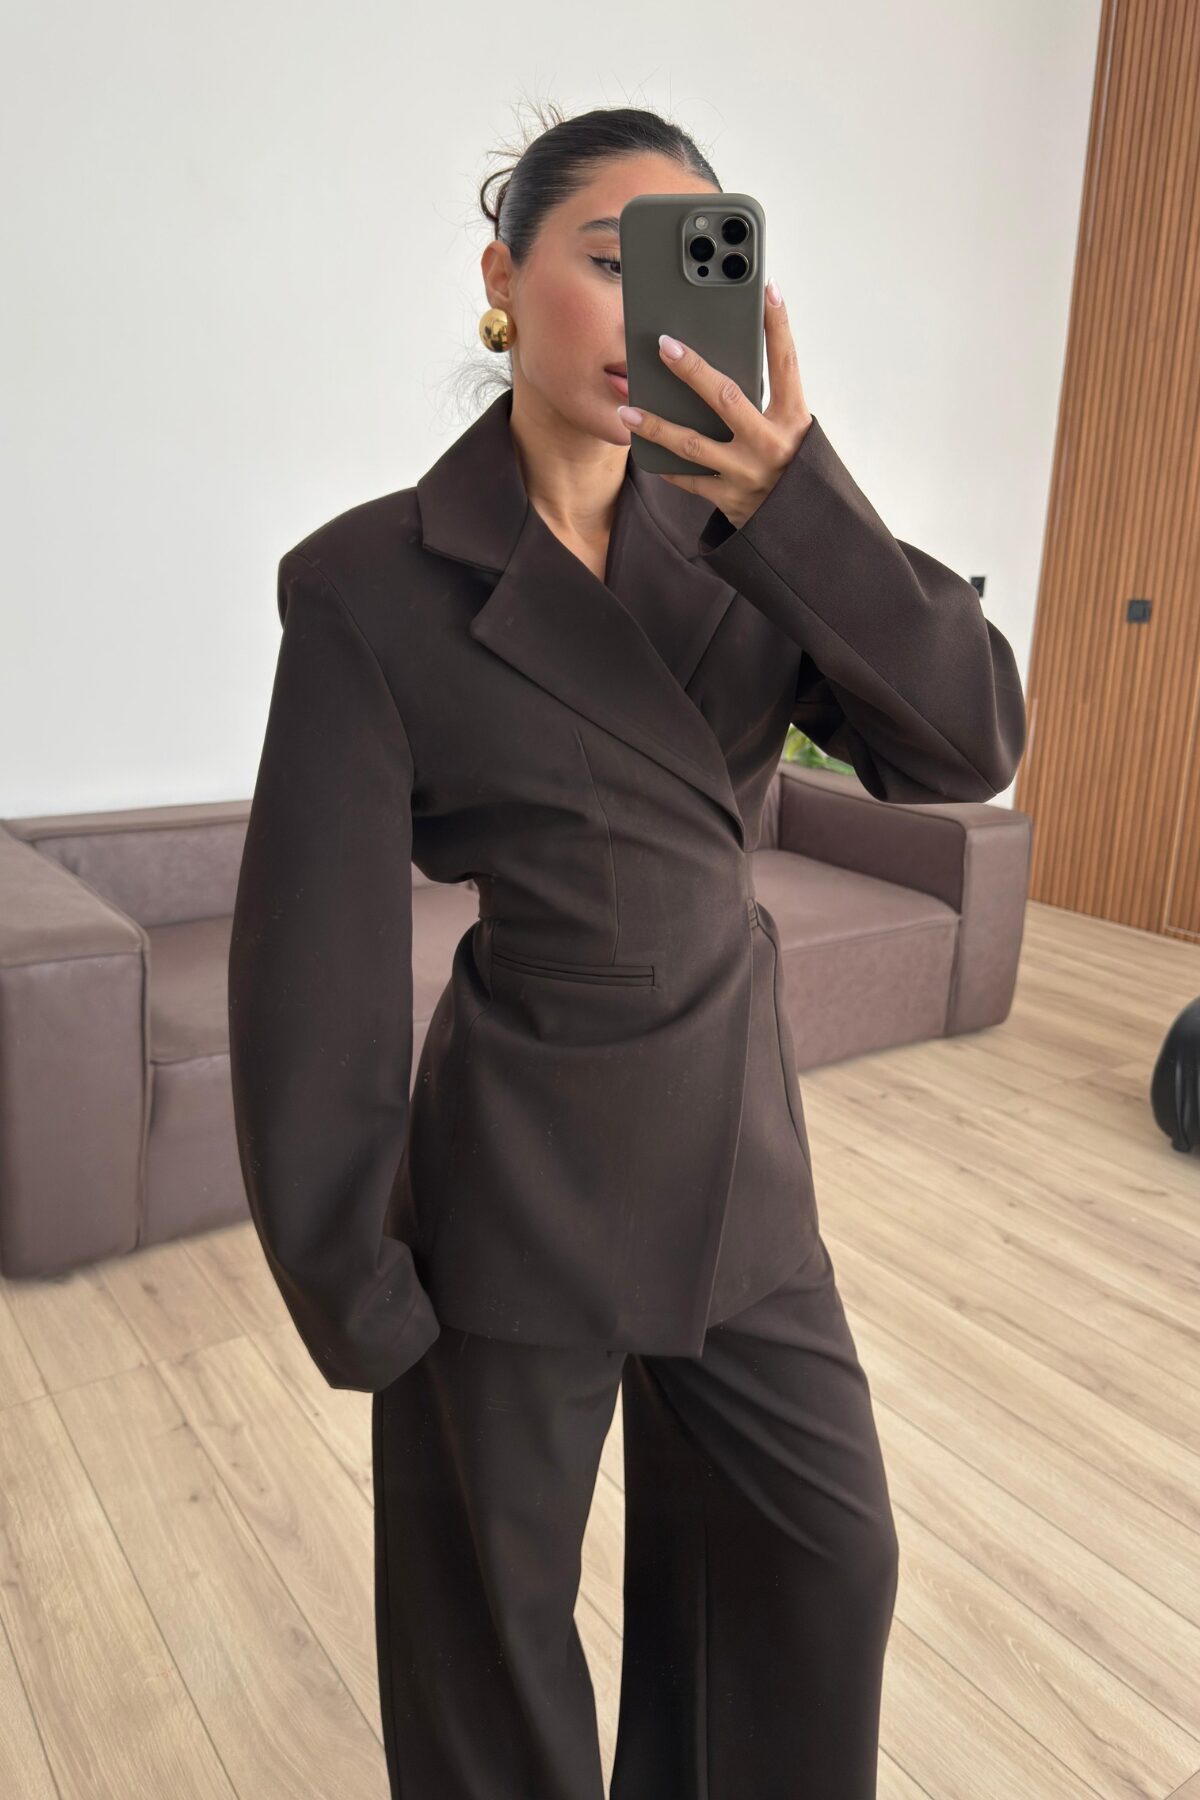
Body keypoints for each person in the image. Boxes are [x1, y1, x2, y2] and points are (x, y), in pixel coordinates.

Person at [228, 102, 1027, 1800]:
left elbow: (966, 748)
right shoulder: (371, 580)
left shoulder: (752, 546)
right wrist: (349, 1272)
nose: (653, 309)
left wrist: (803, 506)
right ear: (501, 277)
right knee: (493, 1645)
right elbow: (316, 963)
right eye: (611, 258)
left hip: (737, 1157)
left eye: (697, 266)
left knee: (819, 1566)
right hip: (517, 1179)